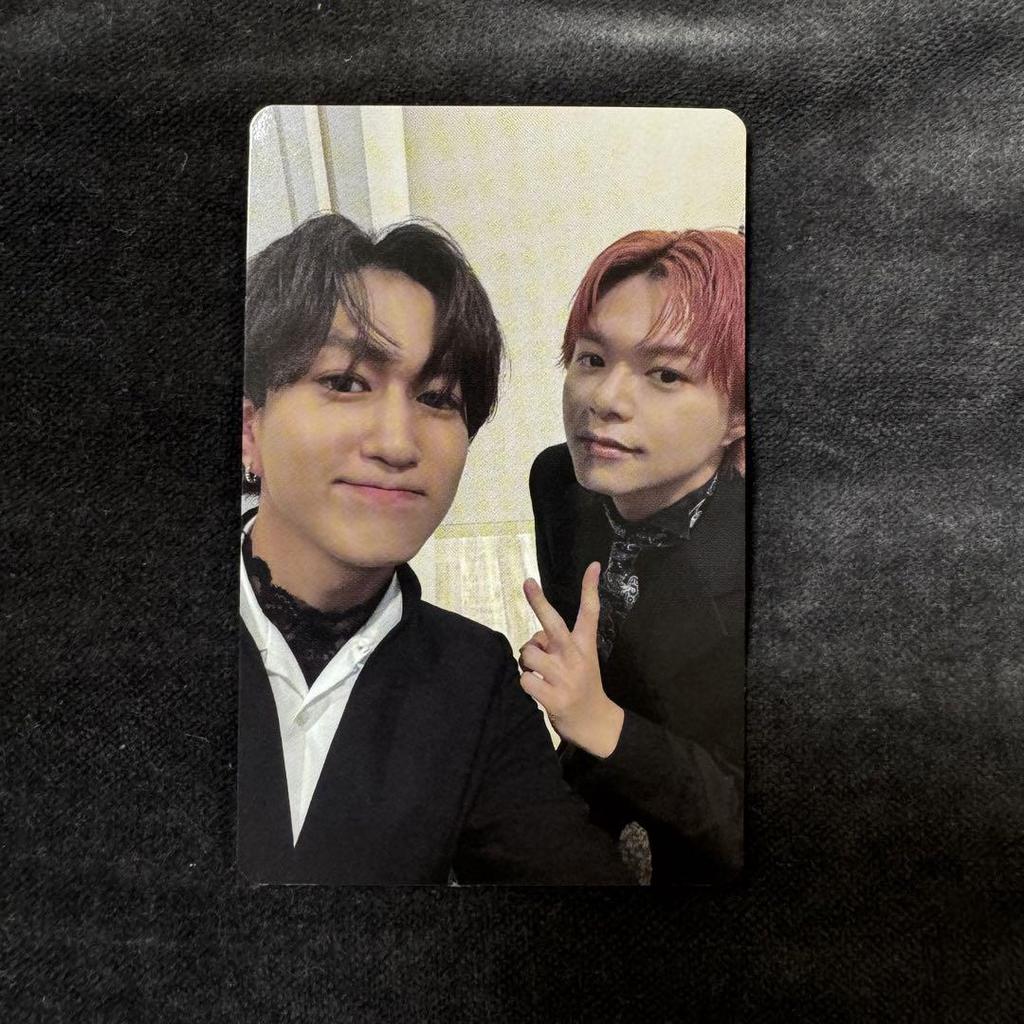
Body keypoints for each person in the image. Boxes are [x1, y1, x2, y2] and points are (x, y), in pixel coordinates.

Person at [239, 213, 628, 885]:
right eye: (346, 382)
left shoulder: (475, 680)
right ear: (250, 430)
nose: (398, 443)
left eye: (437, 397)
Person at [522, 229, 746, 884]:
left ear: (738, 415)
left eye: (665, 374)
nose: (604, 400)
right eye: (592, 358)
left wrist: (602, 722)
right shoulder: (560, 483)